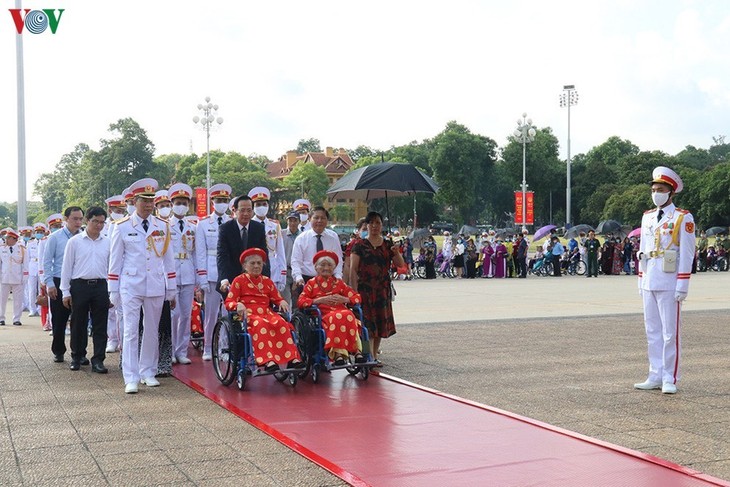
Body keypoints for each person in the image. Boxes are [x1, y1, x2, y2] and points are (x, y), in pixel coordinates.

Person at [108, 178, 177, 394]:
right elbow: (115, 260)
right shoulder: (122, 227)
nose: (148, 205)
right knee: (130, 331)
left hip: (155, 284)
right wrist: (113, 289)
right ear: (135, 202)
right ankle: (131, 376)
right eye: (144, 201)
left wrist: (171, 287)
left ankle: (148, 371)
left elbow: (168, 259)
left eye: (151, 201)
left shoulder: (162, 226)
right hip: (131, 284)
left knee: (151, 330)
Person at [635, 166, 696, 395]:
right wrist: (641, 279)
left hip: (670, 281)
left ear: (671, 192)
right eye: (653, 189)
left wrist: (683, 284)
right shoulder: (647, 216)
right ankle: (655, 374)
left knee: (671, 333)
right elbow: (643, 250)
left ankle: (670, 376)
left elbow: (687, 253)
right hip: (650, 278)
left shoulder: (682, 217)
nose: (655, 193)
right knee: (652, 330)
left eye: (660, 189)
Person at [223, 247, 303, 371]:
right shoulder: (239, 280)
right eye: (252, 263)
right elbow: (229, 301)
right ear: (245, 265)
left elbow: (276, 298)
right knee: (260, 324)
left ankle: (292, 358)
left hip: (267, 313)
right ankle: (268, 360)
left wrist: (281, 301)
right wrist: (237, 305)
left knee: (282, 323)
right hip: (248, 314)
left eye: (259, 263)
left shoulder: (267, 281)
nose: (256, 266)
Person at [350, 211, 406, 365]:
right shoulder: (359, 245)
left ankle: (374, 355)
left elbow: (400, 265)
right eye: (371, 223)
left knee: (380, 324)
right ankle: (366, 353)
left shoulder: (388, 244)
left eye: (378, 223)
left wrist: (396, 252)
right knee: (367, 325)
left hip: (382, 289)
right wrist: (354, 292)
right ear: (366, 225)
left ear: (382, 225)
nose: (374, 226)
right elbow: (353, 269)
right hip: (365, 290)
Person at [59, 207, 110, 373]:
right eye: (95, 221)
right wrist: (65, 291)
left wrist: (112, 291)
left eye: (102, 222)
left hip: (101, 286)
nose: (99, 225)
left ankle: (98, 360)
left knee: (100, 325)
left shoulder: (108, 241)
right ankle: (77, 356)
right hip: (80, 285)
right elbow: (66, 268)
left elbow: (113, 267)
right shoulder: (75, 241)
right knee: (78, 323)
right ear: (87, 220)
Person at [297, 249, 365, 365]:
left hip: (342, 311)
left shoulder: (339, 283)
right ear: (316, 268)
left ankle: (359, 352)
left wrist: (346, 299)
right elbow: (301, 301)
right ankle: (338, 354)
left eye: (329, 265)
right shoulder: (311, 284)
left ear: (333, 268)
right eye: (322, 265)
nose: (326, 268)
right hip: (323, 314)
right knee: (337, 318)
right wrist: (317, 300)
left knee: (351, 317)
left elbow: (357, 297)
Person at [194, 183, 232, 361]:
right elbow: (200, 252)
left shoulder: (232, 221)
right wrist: (201, 278)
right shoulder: (202, 224)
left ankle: (225, 347)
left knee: (228, 312)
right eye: (219, 200)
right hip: (210, 273)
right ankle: (208, 347)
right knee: (210, 314)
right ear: (212, 201)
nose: (222, 203)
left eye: (225, 200)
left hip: (228, 273)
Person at [44, 206, 84, 362]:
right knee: (59, 319)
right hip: (59, 281)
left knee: (79, 319)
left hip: (78, 282)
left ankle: (79, 352)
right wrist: (49, 283)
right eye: (75, 219)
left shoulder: (84, 237)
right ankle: (58, 350)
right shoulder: (55, 237)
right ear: (66, 219)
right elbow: (47, 262)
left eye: (81, 219)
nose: (78, 222)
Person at [167, 183, 197, 365]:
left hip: (187, 272)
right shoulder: (163, 225)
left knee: (186, 314)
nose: (181, 206)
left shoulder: (193, 226)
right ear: (171, 204)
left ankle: (181, 350)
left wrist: (198, 277)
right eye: (178, 202)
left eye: (184, 203)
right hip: (171, 273)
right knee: (173, 315)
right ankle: (169, 349)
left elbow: (196, 253)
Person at [218, 194, 269, 293]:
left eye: (249, 210)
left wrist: (266, 278)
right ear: (235, 211)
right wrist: (224, 279)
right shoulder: (225, 228)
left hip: (254, 279)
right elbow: (222, 255)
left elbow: (263, 255)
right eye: (242, 210)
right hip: (231, 279)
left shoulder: (259, 228)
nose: (246, 214)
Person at [291, 206, 343, 287]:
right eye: (316, 218)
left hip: (329, 280)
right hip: (307, 281)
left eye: (323, 218)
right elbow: (296, 261)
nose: (319, 221)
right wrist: (298, 277)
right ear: (310, 219)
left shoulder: (333, 237)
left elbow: (338, 259)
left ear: (327, 220)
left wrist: (338, 276)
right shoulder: (301, 238)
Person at [249, 187, 287, 292]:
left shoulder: (274, 225)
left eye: (264, 204)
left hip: (273, 268)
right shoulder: (249, 225)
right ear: (253, 207)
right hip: (254, 266)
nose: (261, 207)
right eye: (258, 204)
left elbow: (280, 251)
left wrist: (282, 275)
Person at [102, 195, 127, 352]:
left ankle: (124, 342)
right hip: (105, 270)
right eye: (117, 211)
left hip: (122, 270)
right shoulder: (103, 227)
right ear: (110, 211)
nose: (120, 213)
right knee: (110, 308)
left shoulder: (125, 225)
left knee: (122, 310)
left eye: (122, 211)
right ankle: (112, 338)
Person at [0, 229, 28, 326]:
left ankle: (16, 318)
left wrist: (25, 278)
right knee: (2, 299)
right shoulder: (1, 248)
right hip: (4, 277)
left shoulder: (22, 249)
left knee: (18, 300)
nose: (6, 240)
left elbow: (26, 265)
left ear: (14, 239)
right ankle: (1, 318)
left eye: (8, 238)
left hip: (18, 277)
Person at [281, 211, 301, 308]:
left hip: (298, 272)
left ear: (299, 222)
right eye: (290, 220)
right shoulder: (281, 234)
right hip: (285, 271)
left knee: (297, 300)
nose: (293, 223)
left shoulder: (303, 236)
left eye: (295, 220)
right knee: (285, 300)